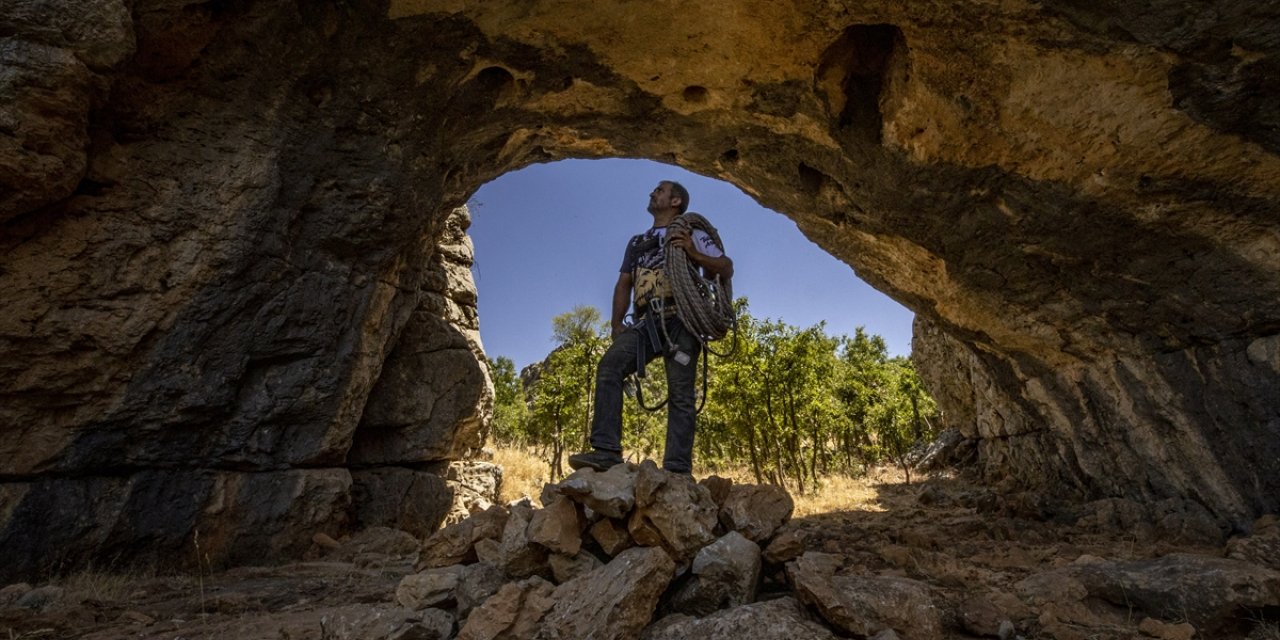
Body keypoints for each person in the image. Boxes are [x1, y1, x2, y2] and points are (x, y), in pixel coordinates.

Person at [568, 180, 733, 475]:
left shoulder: (692, 231)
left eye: (660, 190)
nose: (652, 193)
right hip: (645, 322)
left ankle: (676, 470)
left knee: (681, 392)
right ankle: (606, 451)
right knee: (610, 367)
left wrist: (693, 254)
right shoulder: (636, 242)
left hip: (682, 318)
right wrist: (616, 323)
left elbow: (724, 267)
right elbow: (624, 283)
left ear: (676, 201)